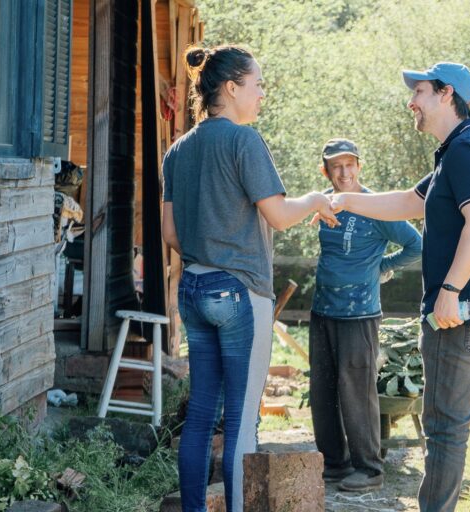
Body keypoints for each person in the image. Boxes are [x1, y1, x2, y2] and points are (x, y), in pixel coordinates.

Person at [331, 62, 470, 512]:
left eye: (418, 92)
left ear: (445, 95)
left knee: (443, 429)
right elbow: (408, 202)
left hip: (463, 316)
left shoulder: (469, 151)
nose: (411, 102)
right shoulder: (457, 150)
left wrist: (451, 289)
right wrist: (342, 199)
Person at [161, 45, 337, 512]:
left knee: (200, 416)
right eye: (257, 84)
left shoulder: (177, 151)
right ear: (232, 88)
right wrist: (316, 199)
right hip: (240, 293)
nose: (262, 94)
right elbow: (279, 216)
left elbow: (170, 234)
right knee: (241, 422)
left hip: (194, 290)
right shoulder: (244, 141)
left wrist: (208, 249)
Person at [309, 138, 422, 492]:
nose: (343, 172)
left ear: (359, 166)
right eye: (335, 166)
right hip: (322, 309)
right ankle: (334, 464)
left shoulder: (377, 207)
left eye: (349, 165)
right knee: (323, 391)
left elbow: (417, 244)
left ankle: (370, 469)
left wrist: (382, 267)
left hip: (359, 314)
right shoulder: (324, 203)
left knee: (356, 391)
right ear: (325, 171)